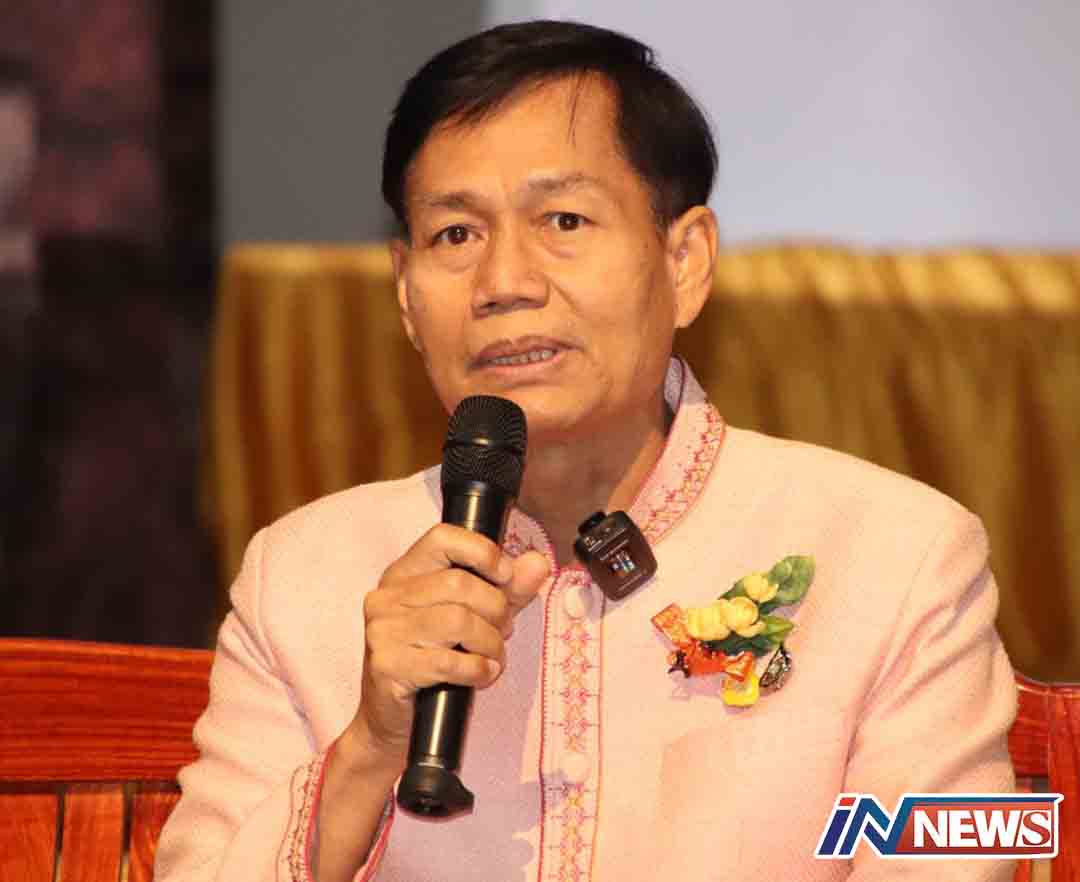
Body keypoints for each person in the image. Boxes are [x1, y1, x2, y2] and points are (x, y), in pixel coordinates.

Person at [156, 20, 1017, 882]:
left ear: (685, 261)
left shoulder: (899, 556)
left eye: (563, 220)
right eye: (455, 235)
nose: (504, 284)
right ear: (407, 297)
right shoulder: (300, 575)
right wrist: (372, 745)